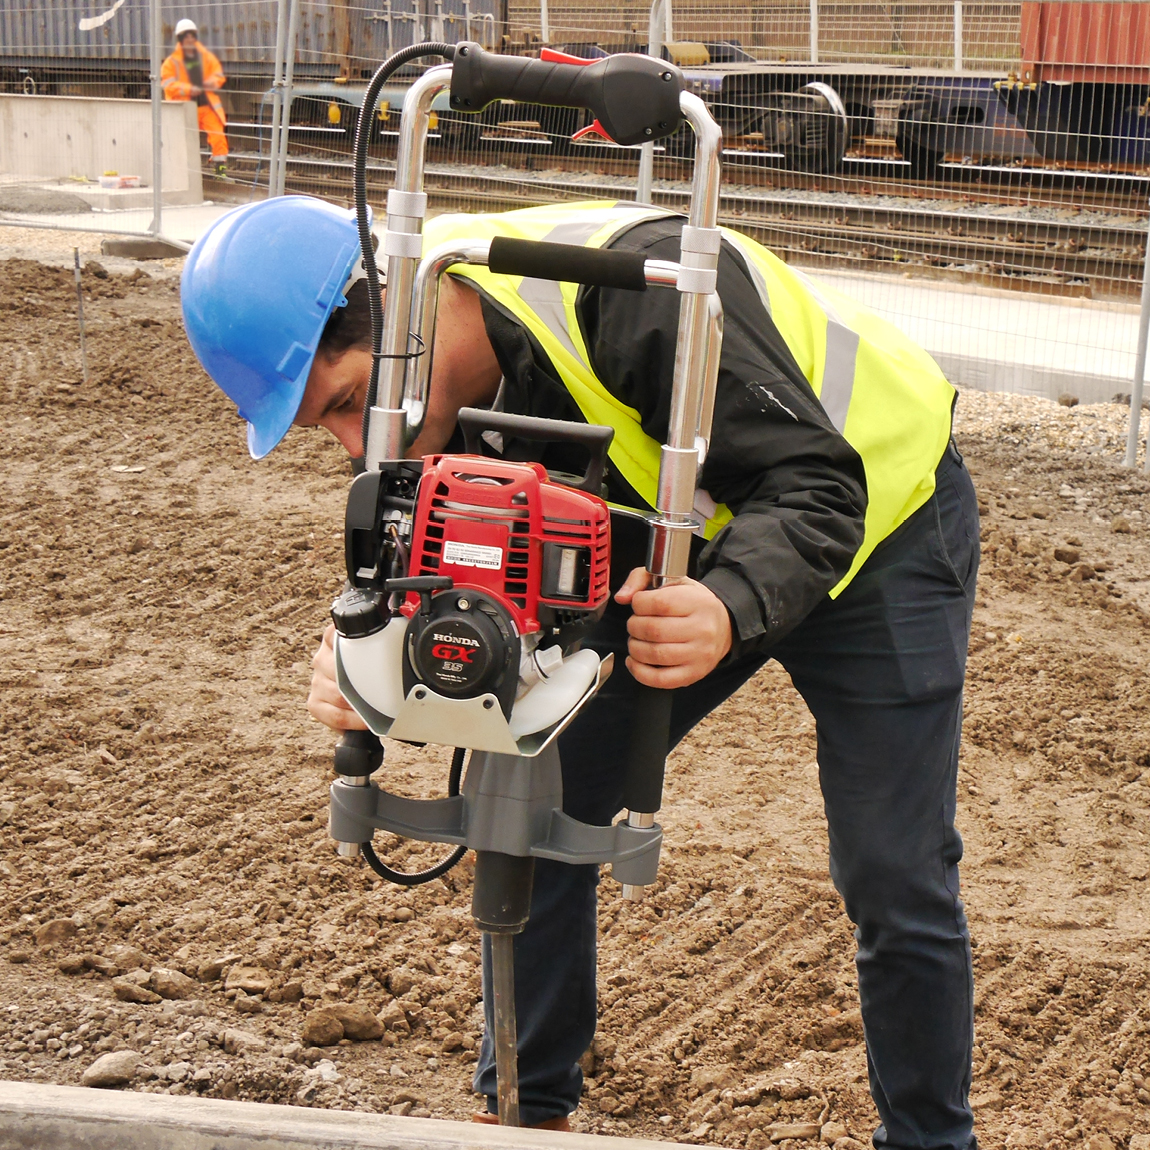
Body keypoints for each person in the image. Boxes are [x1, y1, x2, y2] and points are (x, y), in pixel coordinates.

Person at [180, 194, 981, 1150]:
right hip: (681, 542)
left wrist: (725, 609)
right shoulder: (420, 387)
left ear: (396, 306)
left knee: (893, 868)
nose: (358, 445)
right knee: (528, 786)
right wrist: (357, 668)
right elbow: (429, 583)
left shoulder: (633, 292)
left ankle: (931, 1142)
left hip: (874, 520)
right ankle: (527, 1113)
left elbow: (815, 486)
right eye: (326, 427)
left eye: (351, 401)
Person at [162, 19, 229, 178]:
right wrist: (189, 89)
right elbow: (168, 85)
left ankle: (220, 172)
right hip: (184, 108)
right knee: (181, 142)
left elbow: (218, 75)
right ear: (180, 39)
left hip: (206, 107)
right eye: (186, 37)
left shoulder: (205, 57)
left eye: (192, 36)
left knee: (218, 136)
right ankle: (180, 173)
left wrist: (210, 83)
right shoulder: (172, 62)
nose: (190, 40)